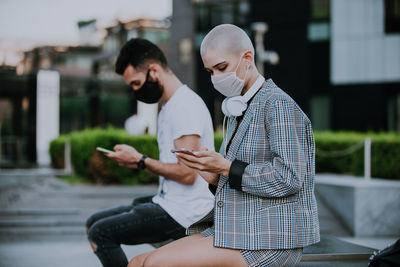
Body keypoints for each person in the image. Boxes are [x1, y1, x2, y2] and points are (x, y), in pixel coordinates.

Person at [128, 24, 320, 267]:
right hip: (238, 229)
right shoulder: (236, 108)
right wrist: (213, 175)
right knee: (138, 262)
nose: (216, 78)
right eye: (210, 71)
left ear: (247, 58)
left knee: (154, 264)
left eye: (222, 68)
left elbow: (289, 178)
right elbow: (240, 176)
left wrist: (227, 168)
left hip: (269, 240)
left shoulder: (277, 105)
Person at [86, 38, 215, 267]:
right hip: (169, 203)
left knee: (101, 232)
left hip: (186, 213)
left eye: (136, 83)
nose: (135, 91)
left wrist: (141, 160)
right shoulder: (169, 106)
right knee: (94, 221)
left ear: (153, 71)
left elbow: (187, 174)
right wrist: (137, 162)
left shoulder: (185, 106)